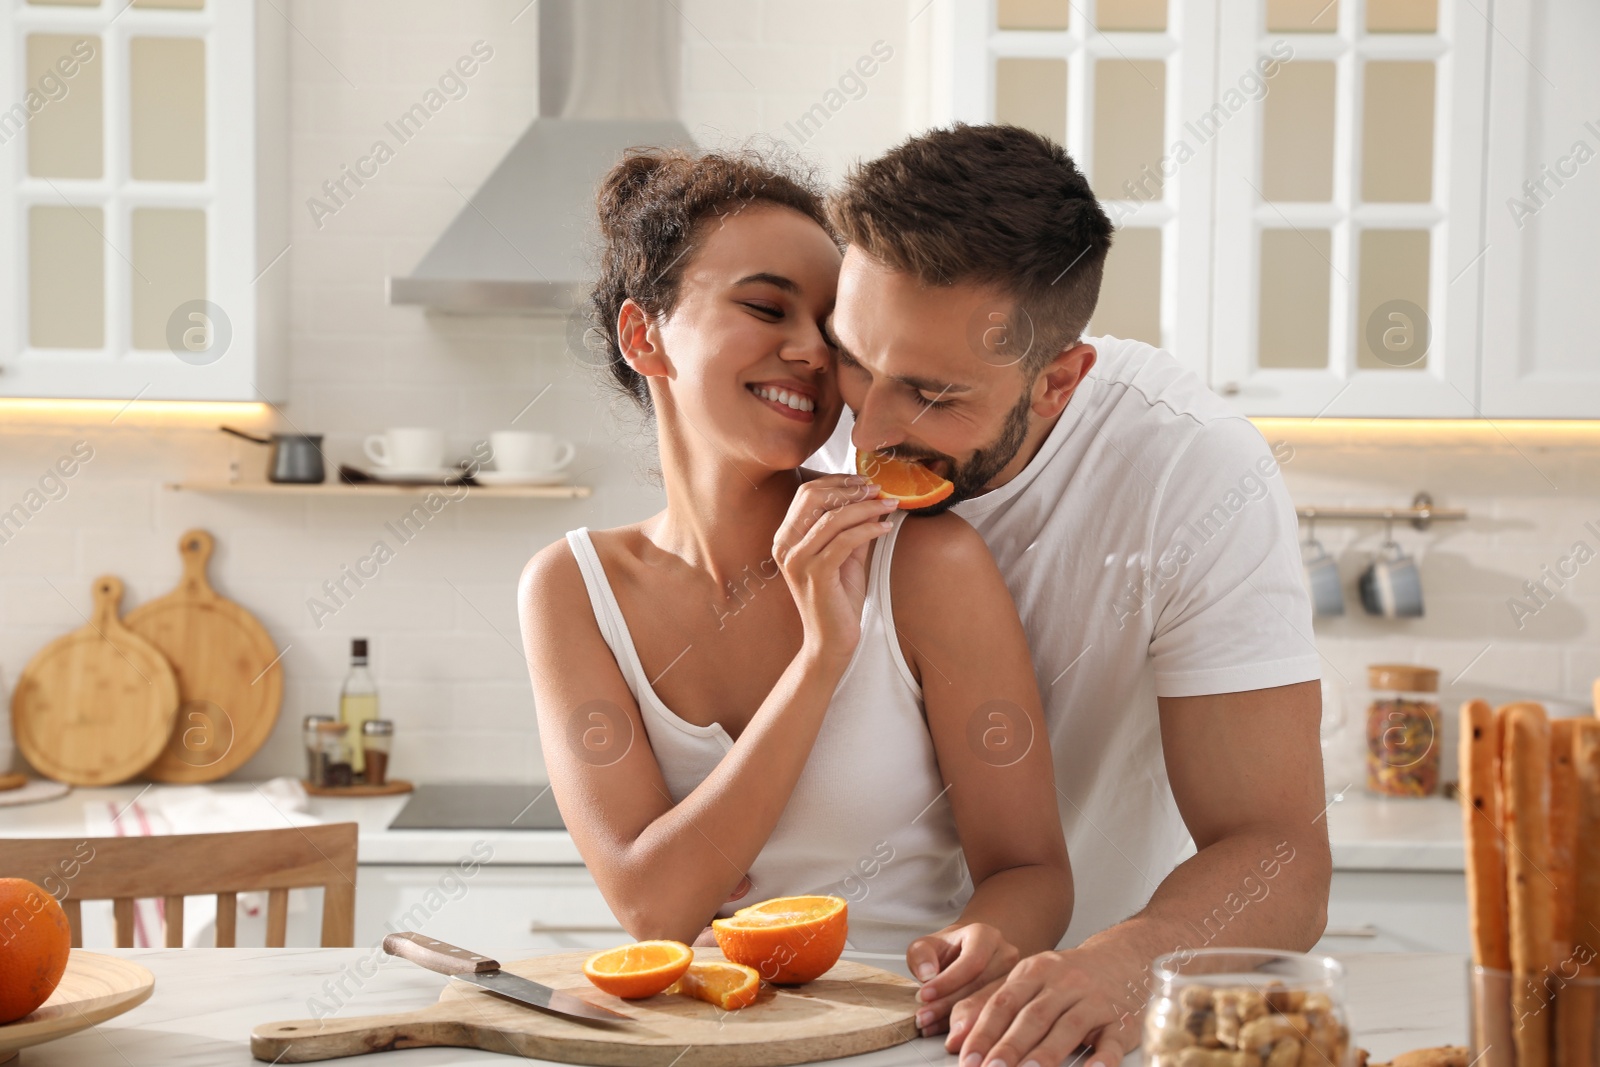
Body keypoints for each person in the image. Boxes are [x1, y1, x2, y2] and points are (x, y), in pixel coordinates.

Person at [801, 123, 1332, 1067]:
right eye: (856, 362)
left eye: (931, 395)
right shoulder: (799, 429)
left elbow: (1279, 849)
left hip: (1066, 1036)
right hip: (832, 1022)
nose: (869, 430)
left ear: (1057, 383)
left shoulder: (1195, 473)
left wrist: (1122, 961)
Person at [517, 148, 1072, 1028]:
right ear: (643, 335)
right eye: (766, 306)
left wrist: (982, 937)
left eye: (833, 328)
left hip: (906, 1037)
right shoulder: (572, 589)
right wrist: (822, 657)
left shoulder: (926, 561)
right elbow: (653, 907)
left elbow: (1030, 870)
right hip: (699, 1042)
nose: (812, 351)